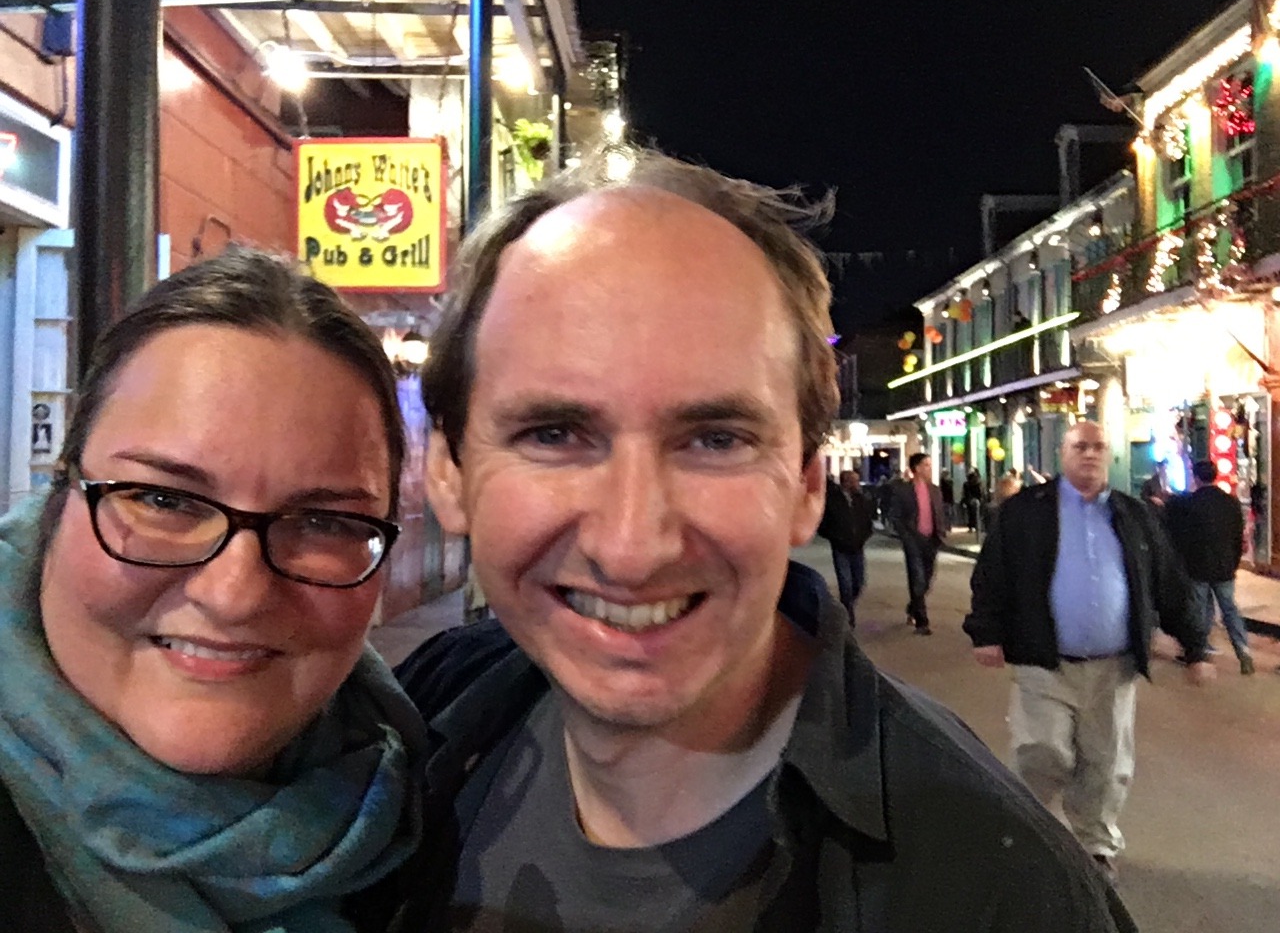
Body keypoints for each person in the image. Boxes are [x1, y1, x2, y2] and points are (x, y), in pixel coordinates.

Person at [396, 148, 1135, 931]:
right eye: (553, 433)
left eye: (715, 440)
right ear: (448, 469)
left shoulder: (1002, 897)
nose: (631, 546)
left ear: (809, 484)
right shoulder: (410, 740)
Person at [0, 249, 428, 932]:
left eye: (323, 521)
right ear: (61, 498)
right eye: (165, 500)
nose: (236, 594)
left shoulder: (439, 817)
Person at [966, 420, 1213, 882]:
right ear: (1063, 452)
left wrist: (1196, 646)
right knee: (1041, 752)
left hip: (1112, 667)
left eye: (1100, 446)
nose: (1091, 454)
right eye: (1081, 446)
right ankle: (1032, 835)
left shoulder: (1134, 515)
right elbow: (992, 575)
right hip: (1045, 661)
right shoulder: (1025, 512)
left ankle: (1094, 846)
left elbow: (1169, 582)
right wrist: (986, 632)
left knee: (1105, 763)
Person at [1165, 460, 1254, 675]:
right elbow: (1237, 536)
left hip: (1198, 567)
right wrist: (1232, 563)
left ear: (1195, 477)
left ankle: (1198, 651)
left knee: (1198, 611)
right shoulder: (1231, 503)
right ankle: (1243, 651)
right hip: (1224, 568)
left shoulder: (1190, 504)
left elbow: (1179, 532)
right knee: (1230, 610)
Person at [889, 452, 948, 635]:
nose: (929, 469)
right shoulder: (903, 490)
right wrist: (905, 535)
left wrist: (942, 531)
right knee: (917, 577)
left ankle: (913, 607)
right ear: (916, 468)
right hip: (913, 539)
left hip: (932, 539)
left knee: (928, 579)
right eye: (926, 465)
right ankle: (922, 622)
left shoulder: (935, 490)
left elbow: (939, 512)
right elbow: (896, 516)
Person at [815, 469, 873, 626]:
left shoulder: (860, 499)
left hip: (857, 546)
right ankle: (847, 615)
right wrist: (835, 537)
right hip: (841, 547)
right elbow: (823, 523)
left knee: (859, 582)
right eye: (853, 481)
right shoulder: (834, 500)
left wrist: (864, 535)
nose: (856, 484)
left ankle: (846, 606)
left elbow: (867, 519)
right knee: (845, 583)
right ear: (845, 482)